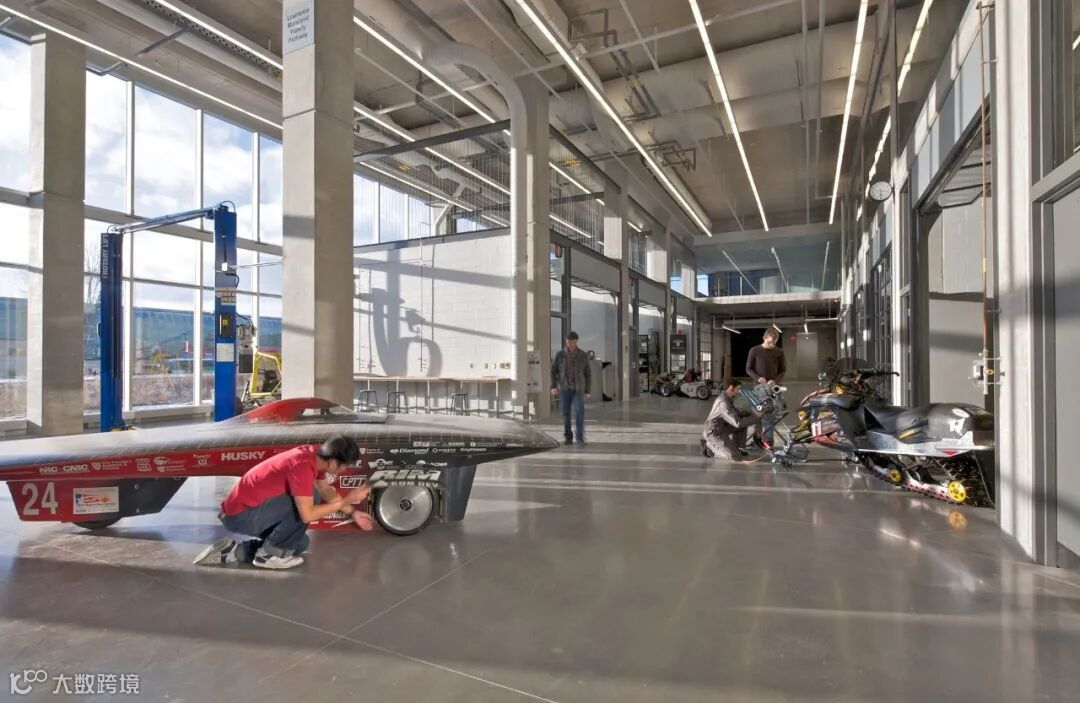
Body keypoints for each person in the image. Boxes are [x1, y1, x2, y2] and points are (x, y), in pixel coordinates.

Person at [193, 434, 373, 570]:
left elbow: (325, 489)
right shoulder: (302, 466)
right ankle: (268, 556)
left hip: (248, 511)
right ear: (333, 463)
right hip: (240, 516)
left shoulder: (315, 456)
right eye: (345, 466)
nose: (344, 470)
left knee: (299, 544)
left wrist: (353, 512)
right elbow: (307, 515)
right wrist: (347, 499)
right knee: (310, 499)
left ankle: (233, 551)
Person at [745, 329, 787, 448]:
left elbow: (783, 370)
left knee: (769, 416)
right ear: (764, 338)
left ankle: (768, 442)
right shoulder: (754, 350)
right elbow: (748, 368)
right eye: (769, 343)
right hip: (758, 388)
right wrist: (758, 378)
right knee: (758, 415)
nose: (771, 345)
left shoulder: (779, 352)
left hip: (773, 388)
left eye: (774, 343)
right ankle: (757, 441)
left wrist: (775, 381)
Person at [550, 331, 591, 446]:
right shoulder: (560, 355)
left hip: (578, 389)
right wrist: (553, 386)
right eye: (567, 342)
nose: (569, 344)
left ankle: (580, 438)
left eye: (571, 342)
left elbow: (588, 373)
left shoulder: (582, 355)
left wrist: (587, 390)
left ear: (576, 341)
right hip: (564, 388)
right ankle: (568, 437)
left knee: (579, 412)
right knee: (565, 413)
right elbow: (553, 371)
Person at [700, 381, 757, 461]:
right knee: (735, 456)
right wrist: (757, 416)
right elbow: (738, 423)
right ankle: (709, 448)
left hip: (722, 428)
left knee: (744, 419)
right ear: (731, 388)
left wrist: (749, 414)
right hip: (714, 433)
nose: (739, 392)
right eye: (738, 389)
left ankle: (738, 448)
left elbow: (735, 414)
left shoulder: (727, 398)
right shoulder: (723, 402)